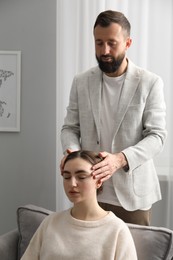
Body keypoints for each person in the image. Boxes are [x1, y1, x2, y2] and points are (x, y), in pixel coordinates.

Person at [61, 10, 167, 226]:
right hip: (90, 194)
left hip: (133, 198)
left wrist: (119, 159)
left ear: (128, 43)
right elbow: (70, 128)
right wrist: (72, 154)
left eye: (112, 43)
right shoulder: (81, 81)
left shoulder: (150, 82)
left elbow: (157, 137)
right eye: (99, 43)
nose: (104, 50)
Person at [21, 151, 137, 260]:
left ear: (99, 181)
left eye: (81, 177)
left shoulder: (117, 230)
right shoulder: (50, 222)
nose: (72, 183)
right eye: (66, 177)